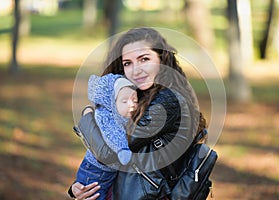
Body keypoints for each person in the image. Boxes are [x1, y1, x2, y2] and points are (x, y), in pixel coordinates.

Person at [69, 27, 208, 200]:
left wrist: (87, 116)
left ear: (162, 59)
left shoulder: (169, 101)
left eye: (144, 59)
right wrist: (80, 187)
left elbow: (110, 150)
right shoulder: (138, 97)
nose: (136, 70)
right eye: (128, 63)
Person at [74, 73, 138, 200]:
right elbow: (112, 134)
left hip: (110, 173)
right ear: (112, 103)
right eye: (124, 101)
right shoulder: (106, 117)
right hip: (95, 171)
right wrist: (122, 150)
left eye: (135, 101)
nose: (132, 105)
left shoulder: (125, 117)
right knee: (95, 194)